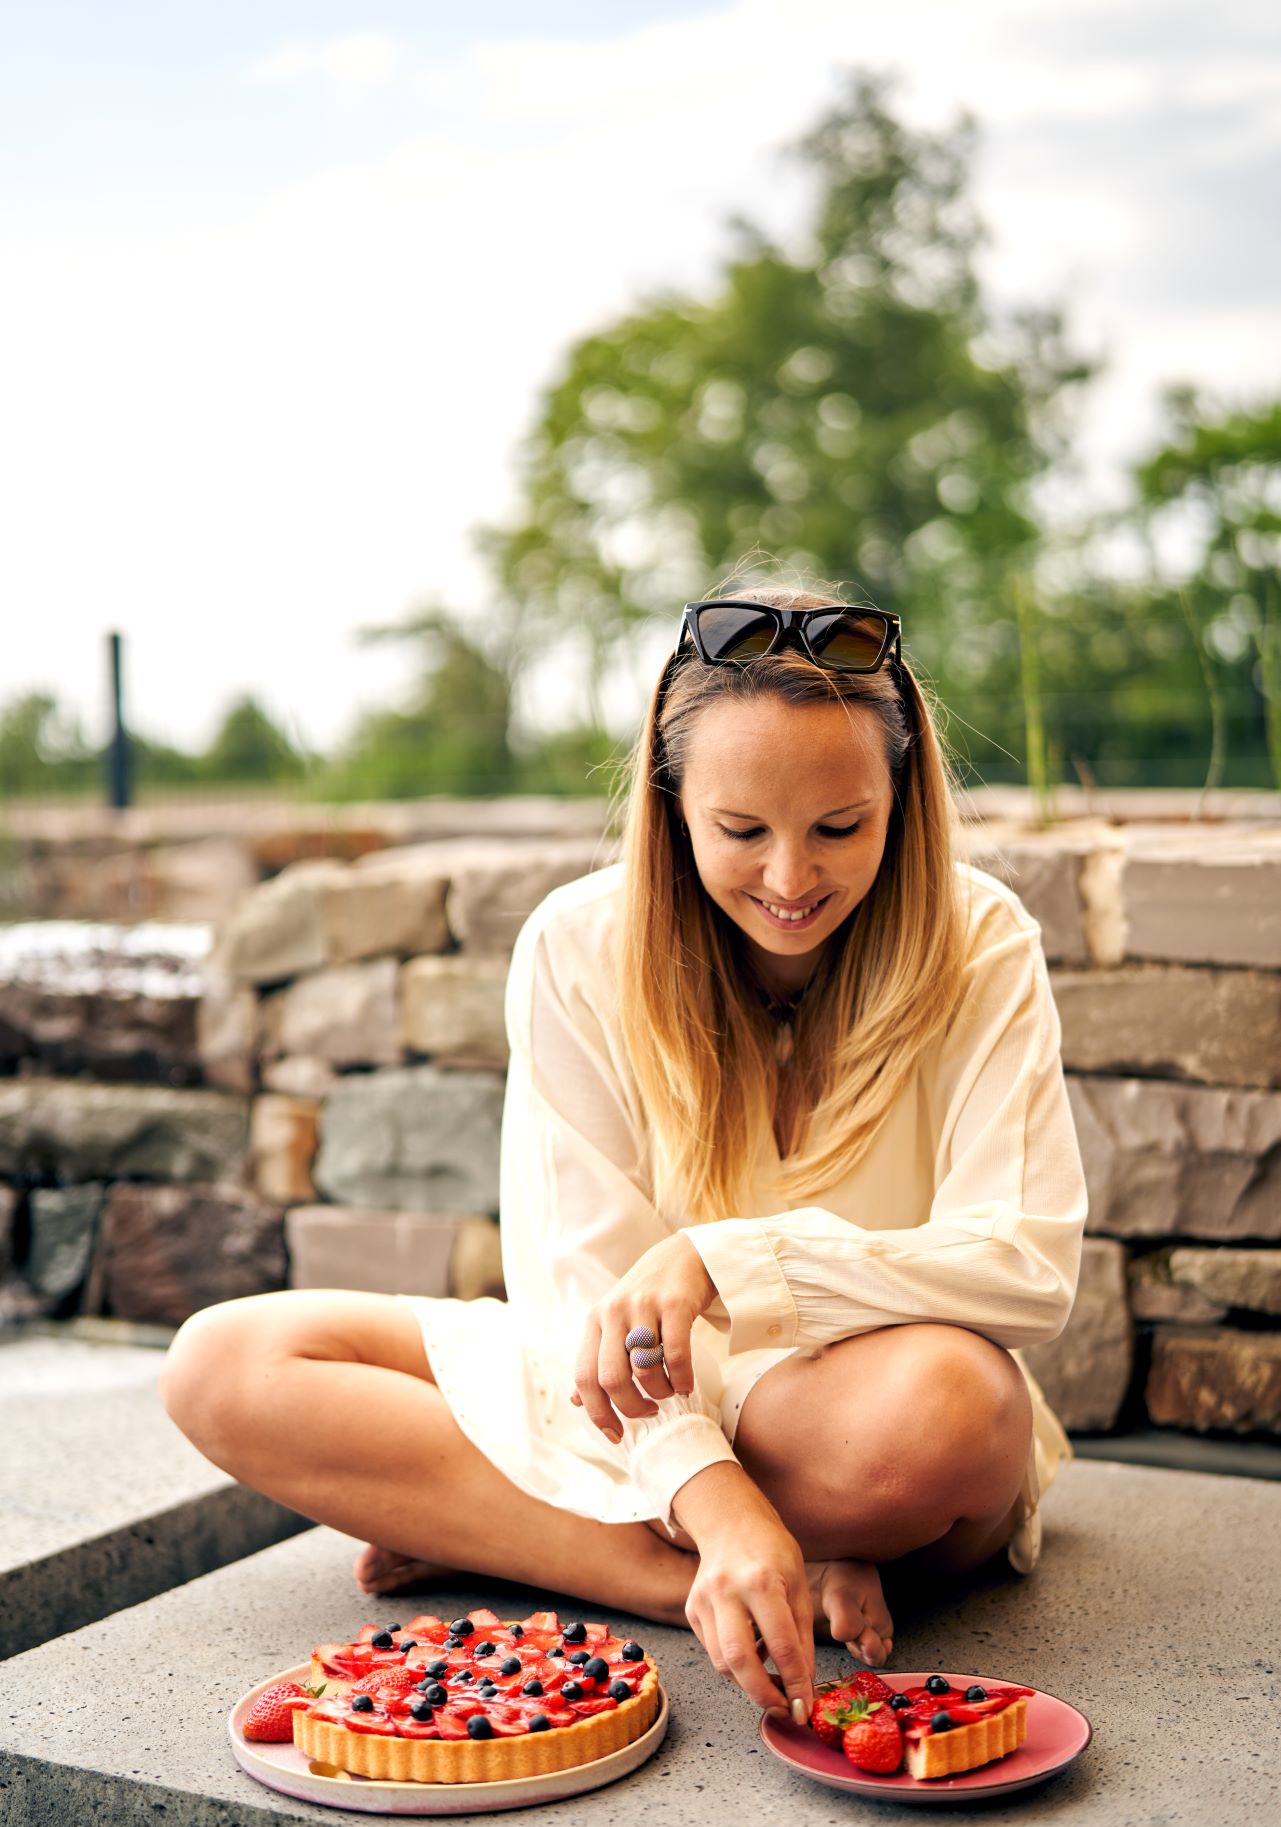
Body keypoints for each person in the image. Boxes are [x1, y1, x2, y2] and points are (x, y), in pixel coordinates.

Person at [159, 582, 1087, 1731]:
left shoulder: (982, 938)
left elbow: (1027, 1265)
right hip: (627, 1395)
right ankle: (722, 1573)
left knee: (951, 1410)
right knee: (224, 1362)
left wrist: (729, 1261)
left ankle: (515, 1533)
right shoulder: (576, 946)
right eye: (741, 831)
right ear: (671, 802)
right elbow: (582, 1297)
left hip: (844, 1418)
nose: (792, 878)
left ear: (901, 799)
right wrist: (723, 1505)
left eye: (840, 828)